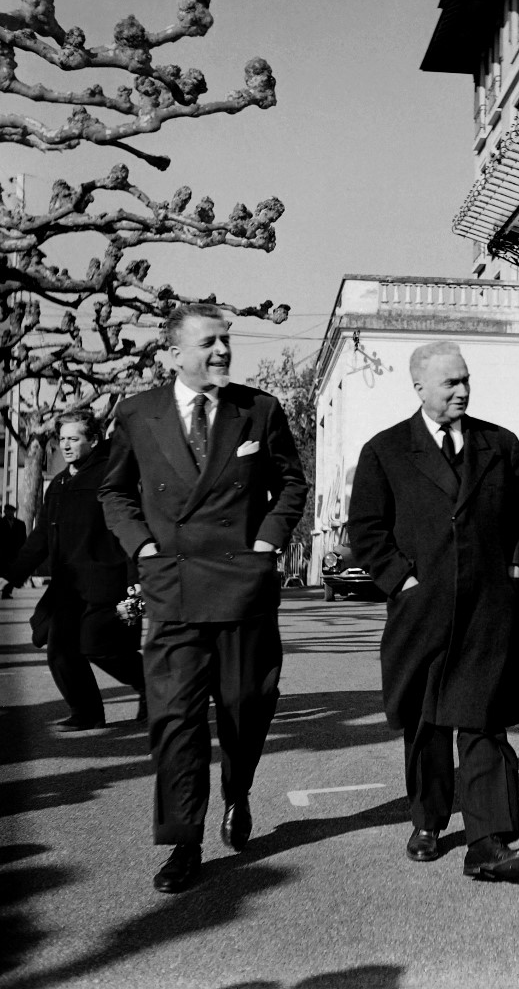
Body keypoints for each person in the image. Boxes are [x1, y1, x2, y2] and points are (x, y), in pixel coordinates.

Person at [99, 303, 307, 894]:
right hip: (171, 585)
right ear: (173, 353)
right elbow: (114, 492)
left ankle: (236, 790)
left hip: (243, 584)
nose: (221, 352)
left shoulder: (258, 409)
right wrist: (140, 546)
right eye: (208, 342)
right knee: (174, 719)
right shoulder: (137, 413)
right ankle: (182, 842)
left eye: (226, 341)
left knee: (246, 704)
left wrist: (269, 539)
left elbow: (292, 482)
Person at [347, 340, 519, 881]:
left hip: (488, 609)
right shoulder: (385, 450)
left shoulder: (499, 443)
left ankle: (489, 842)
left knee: (484, 724)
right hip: (421, 609)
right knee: (426, 724)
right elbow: (366, 530)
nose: (461, 390)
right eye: (449, 382)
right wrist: (402, 580)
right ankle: (429, 820)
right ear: (419, 389)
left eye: (465, 380)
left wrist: (515, 567)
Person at [2, 410, 145, 729]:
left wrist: (137, 578)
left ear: (93, 440)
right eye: (62, 439)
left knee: (102, 645)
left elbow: (131, 526)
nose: (65, 445)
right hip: (69, 587)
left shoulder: (113, 476)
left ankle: (150, 686)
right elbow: (41, 537)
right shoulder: (61, 483)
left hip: (112, 584)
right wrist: (12, 574)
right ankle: (87, 712)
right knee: (60, 651)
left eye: (74, 438)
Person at [0, 503, 27, 599]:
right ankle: (5, 591)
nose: (10, 513)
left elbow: (24, 539)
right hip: (3, 554)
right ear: (4, 512)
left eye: (12, 511)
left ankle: (6, 591)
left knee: (12, 573)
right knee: (4, 573)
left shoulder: (20, 524)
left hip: (15, 554)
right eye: (8, 511)